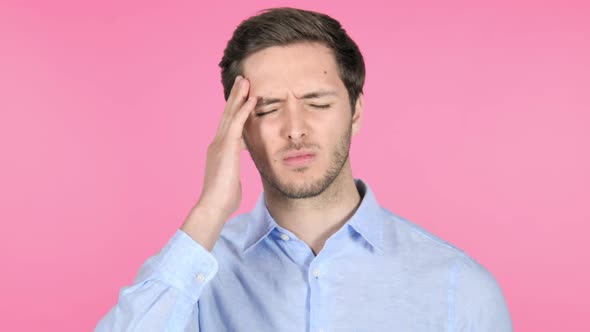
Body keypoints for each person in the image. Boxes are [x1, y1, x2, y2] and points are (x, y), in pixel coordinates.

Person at [95, 7, 512, 332]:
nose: (295, 130)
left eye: (318, 103)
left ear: (355, 112)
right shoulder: (196, 276)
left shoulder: (460, 286)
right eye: (268, 108)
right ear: (236, 128)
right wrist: (209, 211)